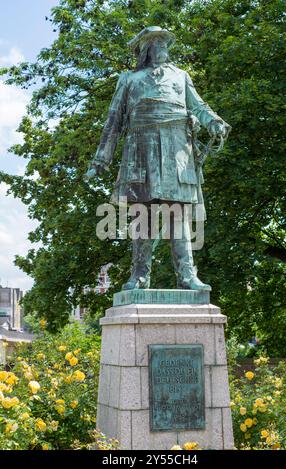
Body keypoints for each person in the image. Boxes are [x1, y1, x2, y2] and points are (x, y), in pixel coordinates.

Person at [85, 26, 231, 290]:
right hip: (142, 149)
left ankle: (187, 276)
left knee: (179, 215)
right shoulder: (129, 80)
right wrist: (101, 160)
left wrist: (214, 122)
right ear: (147, 50)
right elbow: (113, 121)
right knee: (144, 215)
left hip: (177, 150)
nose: (164, 49)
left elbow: (198, 105)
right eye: (158, 44)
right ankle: (139, 276)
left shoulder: (181, 76)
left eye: (165, 44)